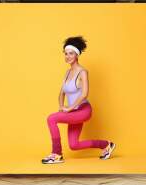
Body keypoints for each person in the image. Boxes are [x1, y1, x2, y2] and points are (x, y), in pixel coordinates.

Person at [42, 36, 116, 164]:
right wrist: (61, 105)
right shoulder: (67, 72)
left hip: (83, 110)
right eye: (66, 54)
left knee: (51, 118)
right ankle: (106, 145)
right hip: (74, 111)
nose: (68, 56)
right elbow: (61, 93)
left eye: (71, 53)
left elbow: (85, 94)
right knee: (74, 145)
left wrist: (69, 108)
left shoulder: (83, 72)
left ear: (77, 54)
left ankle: (57, 154)